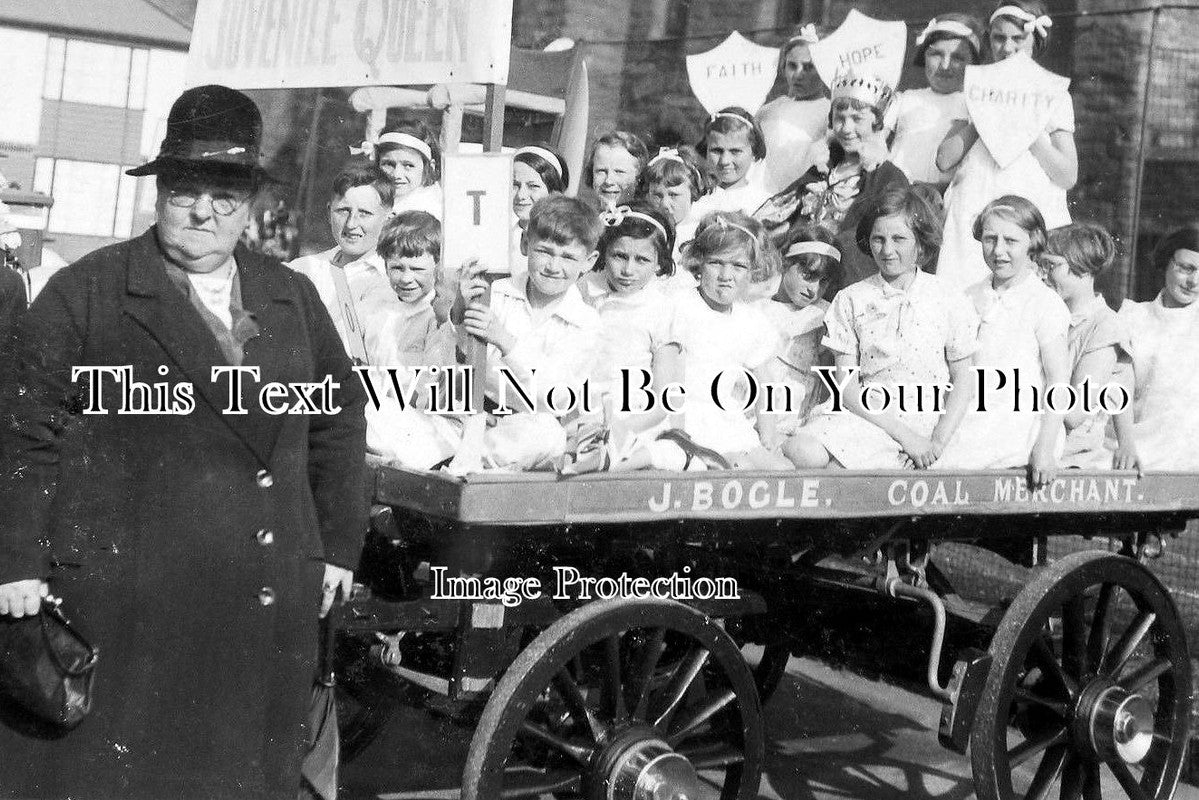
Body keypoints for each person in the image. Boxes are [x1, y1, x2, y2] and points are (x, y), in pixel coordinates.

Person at [0, 85, 367, 800]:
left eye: (225, 195)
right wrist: (15, 562)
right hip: (132, 601)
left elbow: (339, 416)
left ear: (251, 203)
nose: (204, 211)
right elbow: (22, 431)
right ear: (159, 193)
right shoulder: (87, 292)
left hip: (263, 592)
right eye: (185, 191)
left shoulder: (291, 296)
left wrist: (336, 546)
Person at [784, 188, 977, 470]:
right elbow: (847, 387)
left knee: (839, 472)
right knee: (802, 451)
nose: (887, 250)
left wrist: (935, 443)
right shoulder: (851, 299)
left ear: (920, 242)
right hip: (868, 415)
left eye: (899, 239)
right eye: (878, 239)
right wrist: (903, 436)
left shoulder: (949, 298)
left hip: (925, 420)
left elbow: (964, 380)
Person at [451, 195, 602, 470]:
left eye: (568, 257)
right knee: (384, 414)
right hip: (472, 414)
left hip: (524, 426)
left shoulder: (586, 321)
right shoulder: (495, 292)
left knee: (545, 435)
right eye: (544, 251)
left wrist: (505, 340)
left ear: (589, 261)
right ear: (524, 244)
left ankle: (462, 463)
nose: (553, 267)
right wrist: (461, 308)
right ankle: (460, 458)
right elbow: (457, 355)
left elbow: (557, 397)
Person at [936, 1, 1077, 291]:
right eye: (999, 38)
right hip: (975, 196)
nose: (1008, 47)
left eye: (1018, 38)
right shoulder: (974, 87)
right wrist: (982, 117)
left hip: (1025, 195)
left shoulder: (1053, 92)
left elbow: (1067, 174)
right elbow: (944, 160)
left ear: (1035, 40)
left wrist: (1031, 132)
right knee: (963, 282)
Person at [937, 195, 1069, 487]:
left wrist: (1045, 447)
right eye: (990, 239)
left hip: (1020, 425)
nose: (998, 251)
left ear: (1032, 242)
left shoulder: (1044, 303)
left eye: (1011, 241)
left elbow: (1059, 381)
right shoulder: (969, 297)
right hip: (972, 417)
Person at [755, 69, 909, 291]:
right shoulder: (822, 169)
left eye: (857, 119)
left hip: (845, 277)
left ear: (876, 122)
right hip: (797, 270)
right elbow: (780, 214)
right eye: (840, 118)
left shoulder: (888, 178)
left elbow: (877, 237)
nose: (846, 128)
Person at [663, 212, 789, 470]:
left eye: (738, 266)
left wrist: (767, 436)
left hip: (728, 420)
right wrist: (677, 432)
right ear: (699, 263)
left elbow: (765, 382)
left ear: (752, 271)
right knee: (740, 467)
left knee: (782, 470)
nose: (725, 275)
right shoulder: (679, 306)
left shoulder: (750, 320)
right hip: (687, 420)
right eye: (715, 263)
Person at [363, 211, 459, 469]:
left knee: (368, 413)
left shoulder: (437, 316)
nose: (406, 278)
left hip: (425, 422)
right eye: (397, 268)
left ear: (438, 267)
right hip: (387, 414)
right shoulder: (380, 311)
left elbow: (432, 387)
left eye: (417, 269)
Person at [1038, 222, 1132, 468]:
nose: (1043, 275)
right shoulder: (1048, 315)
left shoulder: (1105, 326)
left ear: (1083, 266)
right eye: (1041, 265)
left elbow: (1075, 414)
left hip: (1072, 460)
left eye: (1052, 265)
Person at [288, 164, 402, 364]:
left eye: (364, 213)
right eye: (343, 211)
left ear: (389, 220)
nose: (351, 224)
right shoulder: (301, 271)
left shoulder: (399, 281)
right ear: (328, 212)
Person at [1109, 226, 1199, 471]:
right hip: (1134, 446)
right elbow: (1117, 386)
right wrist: (1126, 444)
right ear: (1166, 262)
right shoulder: (1134, 317)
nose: (1194, 282)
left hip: (1190, 455)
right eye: (1186, 268)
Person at [759, 223, 840, 434]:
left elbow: (828, 374)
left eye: (823, 282)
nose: (813, 289)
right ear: (785, 262)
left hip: (796, 408)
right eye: (808, 275)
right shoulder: (758, 303)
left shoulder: (822, 316)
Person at [889, 13, 984, 188]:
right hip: (897, 190)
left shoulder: (976, 106)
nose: (945, 65)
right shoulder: (906, 99)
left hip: (944, 195)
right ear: (924, 56)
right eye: (936, 54)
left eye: (958, 57)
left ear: (973, 63)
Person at [754, 24, 832, 193]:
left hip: (802, 193)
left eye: (809, 67)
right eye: (792, 66)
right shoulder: (770, 110)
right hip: (763, 194)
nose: (798, 74)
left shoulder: (829, 112)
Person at [690, 107, 772, 218]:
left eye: (735, 151)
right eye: (717, 150)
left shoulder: (763, 204)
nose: (725, 161)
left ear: (754, 152)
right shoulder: (693, 199)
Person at [637, 145, 709, 267]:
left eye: (674, 195)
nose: (665, 204)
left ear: (693, 193)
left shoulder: (701, 233)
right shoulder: (643, 231)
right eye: (657, 195)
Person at [511, 143, 570, 269]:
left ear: (553, 191)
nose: (521, 195)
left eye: (533, 186)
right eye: (515, 185)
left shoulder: (568, 241)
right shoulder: (499, 237)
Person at [371, 120, 443, 218]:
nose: (396, 174)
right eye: (388, 164)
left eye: (408, 165)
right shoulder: (375, 197)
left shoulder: (429, 211)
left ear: (430, 167)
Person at [584, 131, 648, 210]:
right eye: (601, 171)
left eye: (619, 172)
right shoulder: (582, 216)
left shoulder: (648, 217)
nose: (608, 181)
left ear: (638, 178)